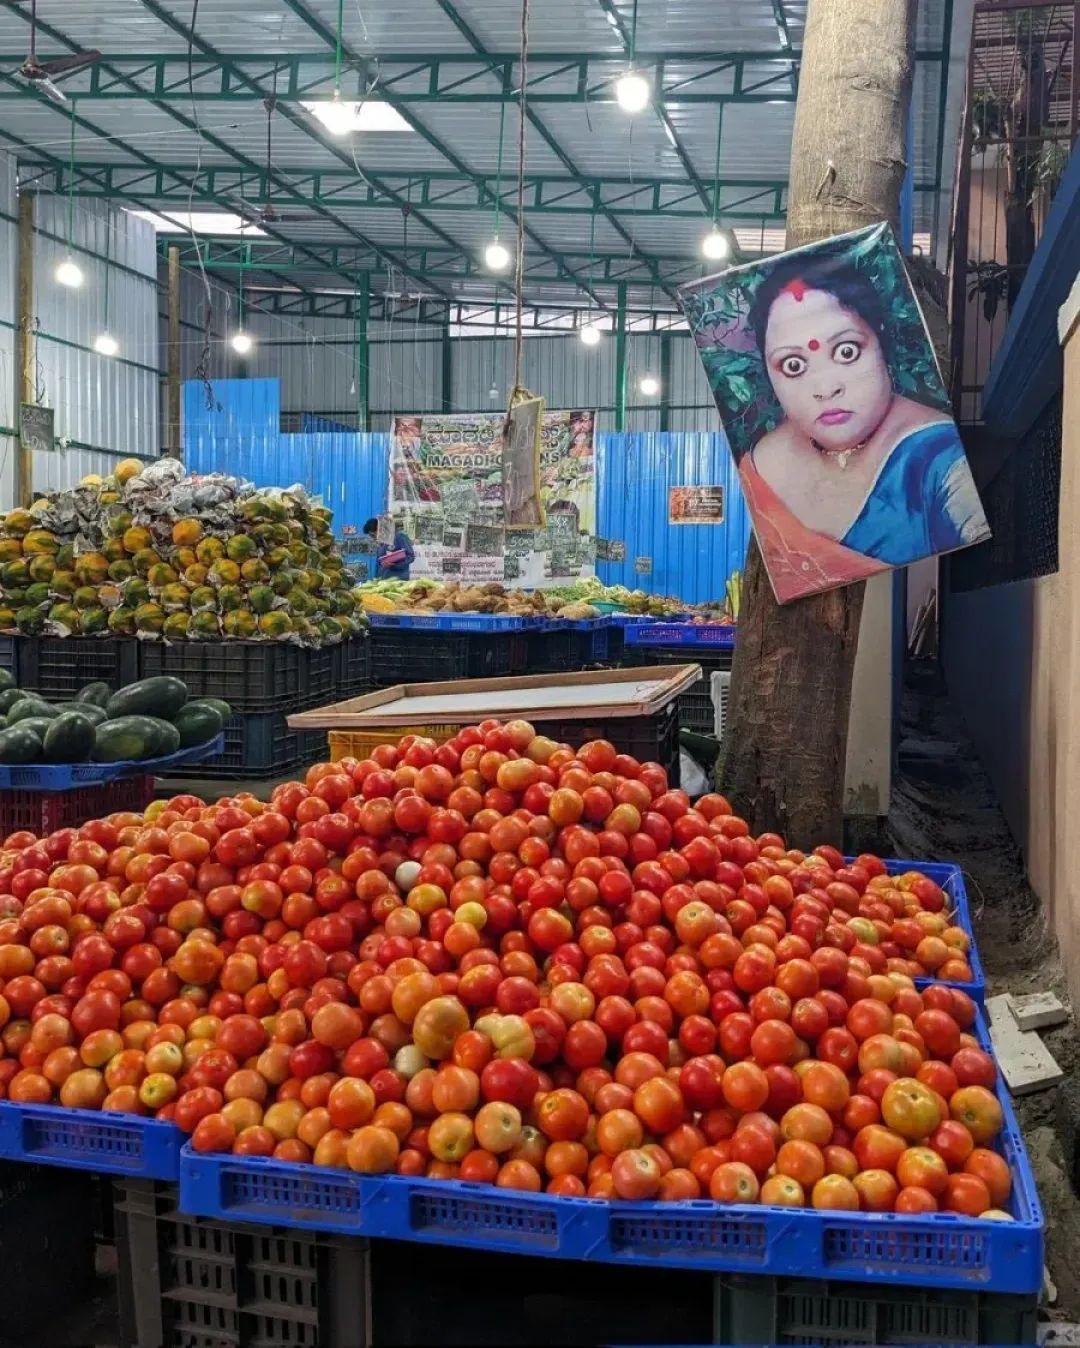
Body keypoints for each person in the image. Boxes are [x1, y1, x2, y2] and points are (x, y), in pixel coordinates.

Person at [737, 254, 989, 602]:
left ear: (882, 345)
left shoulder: (936, 459)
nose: (825, 388)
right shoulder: (761, 462)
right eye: (793, 365)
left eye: (846, 351)